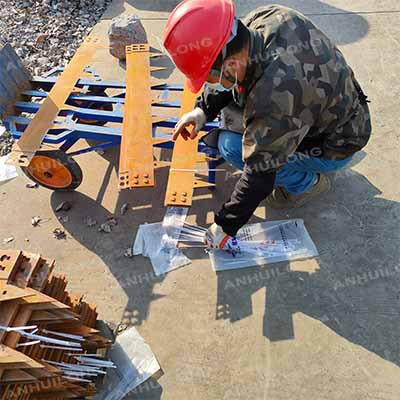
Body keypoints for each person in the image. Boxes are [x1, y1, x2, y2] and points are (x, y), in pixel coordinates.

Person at [163, 0, 372, 251]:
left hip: (335, 145)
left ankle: (309, 185)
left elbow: (260, 172)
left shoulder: (275, 96)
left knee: (232, 147)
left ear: (229, 64)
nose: (212, 83)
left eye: (210, 77)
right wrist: (202, 110)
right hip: (341, 115)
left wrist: (225, 225)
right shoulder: (266, 18)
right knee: (232, 115)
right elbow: (230, 75)